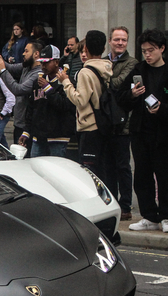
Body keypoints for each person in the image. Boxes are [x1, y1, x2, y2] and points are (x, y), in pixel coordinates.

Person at [117, 29, 168, 233]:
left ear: (162, 49)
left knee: (164, 175)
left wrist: (162, 109)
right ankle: (149, 215)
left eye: (151, 50)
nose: (147, 54)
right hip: (140, 131)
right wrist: (132, 94)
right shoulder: (139, 70)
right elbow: (120, 97)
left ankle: (166, 215)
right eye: (144, 51)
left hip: (163, 133)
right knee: (143, 175)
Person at [58, 30, 113, 183]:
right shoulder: (107, 68)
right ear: (103, 49)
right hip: (103, 123)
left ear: (86, 48)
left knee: (90, 171)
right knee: (102, 169)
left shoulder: (85, 72)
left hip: (89, 125)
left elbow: (80, 100)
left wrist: (66, 82)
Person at [104, 26, 138, 221]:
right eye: (117, 39)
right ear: (110, 41)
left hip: (123, 123)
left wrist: (103, 79)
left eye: (123, 40)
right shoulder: (103, 61)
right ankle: (112, 203)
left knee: (123, 167)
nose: (120, 43)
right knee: (108, 167)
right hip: (105, 122)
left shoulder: (132, 63)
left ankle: (125, 206)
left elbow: (117, 83)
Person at [21, 45, 75, 157]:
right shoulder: (37, 82)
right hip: (38, 137)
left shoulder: (66, 81)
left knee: (56, 171)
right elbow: (31, 108)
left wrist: (48, 88)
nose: (43, 66)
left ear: (56, 62)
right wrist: (26, 132)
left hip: (58, 137)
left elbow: (65, 105)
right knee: (36, 170)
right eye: (41, 62)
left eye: (46, 62)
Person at [0, 40, 43, 152]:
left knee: (26, 158)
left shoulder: (38, 74)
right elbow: (11, 68)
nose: (23, 54)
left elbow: (18, 90)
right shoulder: (26, 67)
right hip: (19, 122)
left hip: (27, 126)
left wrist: (2, 70)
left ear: (36, 54)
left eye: (26, 51)